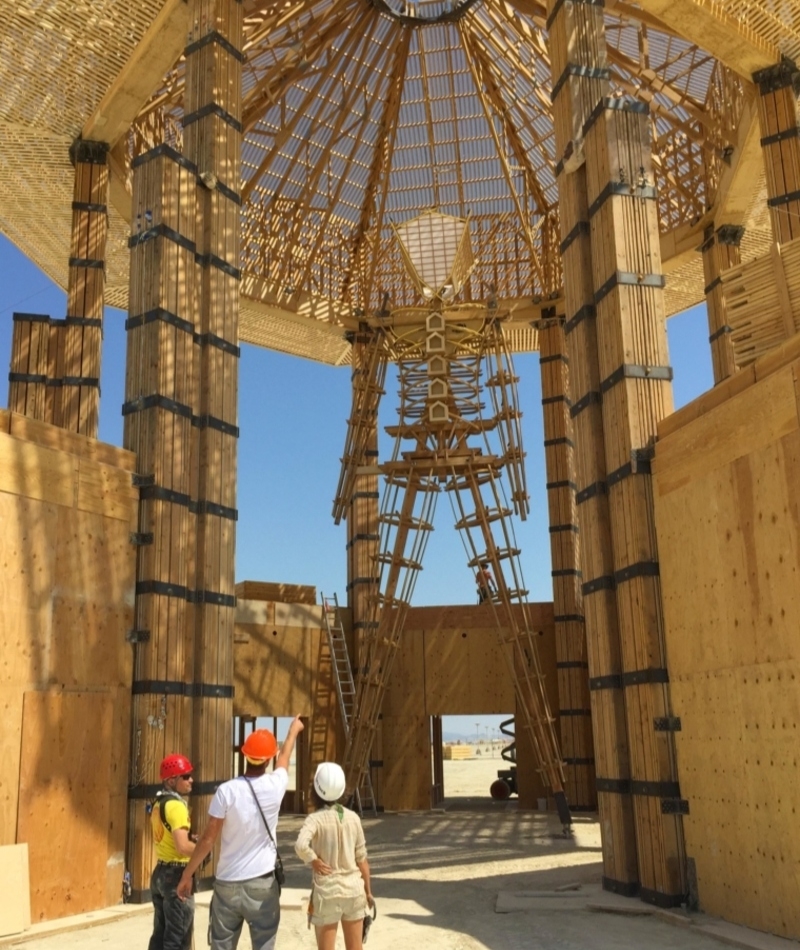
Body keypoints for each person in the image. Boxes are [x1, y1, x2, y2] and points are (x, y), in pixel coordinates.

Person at [177, 717, 304, 950]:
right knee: (264, 943)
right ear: (268, 759)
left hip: (227, 884)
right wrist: (293, 730)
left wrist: (187, 874)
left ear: (246, 756)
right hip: (262, 883)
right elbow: (284, 759)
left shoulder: (227, 791)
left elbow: (207, 840)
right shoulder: (275, 786)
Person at [295, 762, 373, 950]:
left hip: (327, 892)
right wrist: (368, 892)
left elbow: (300, 845)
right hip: (353, 891)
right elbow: (362, 861)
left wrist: (313, 859)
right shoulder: (353, 818)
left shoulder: (315, 819)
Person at [149, 753, 197, 950]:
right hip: (177, 875)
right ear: (171, 780)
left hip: (160, 873)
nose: (190, 780)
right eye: (185, 776)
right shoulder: (176, 806)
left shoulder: (159, 803)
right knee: (178, 938)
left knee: (160, 935)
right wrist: (203, 849)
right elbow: (183, 847)